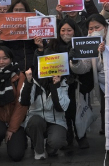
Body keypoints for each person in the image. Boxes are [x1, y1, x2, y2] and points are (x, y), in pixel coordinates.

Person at [34, 18, 93, 149]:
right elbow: (46, 66)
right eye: (63, 30)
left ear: (74, 31)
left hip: (76, 85)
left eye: (69, 30)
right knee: (64, 112)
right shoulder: (51, 46)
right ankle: (68, 136)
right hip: (59, 85)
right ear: (58, 31)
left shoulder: (80, 44)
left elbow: (86, 67)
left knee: (76, 112)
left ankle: (81, 135)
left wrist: (75, 60)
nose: (66, 33)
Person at [0, 47, 29, 161]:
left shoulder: (20, 76)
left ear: (11, 59)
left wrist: (12, 128)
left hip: (15, 119)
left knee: (16, 155)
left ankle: (20, 137)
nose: (1, 62)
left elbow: (21, 104)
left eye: (5, 58)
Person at [19, 67, 70, 160]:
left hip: (56, 121)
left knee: (57, 141)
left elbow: (62, 107)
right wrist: (28, 82)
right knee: (35, 122)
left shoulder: (62, 82)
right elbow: (23, 101)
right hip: (36, 119)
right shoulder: (33, 81)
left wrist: (56, 85)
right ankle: (39, 150)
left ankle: (51, 146)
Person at [86, 14, 109, 135]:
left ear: (105, 28)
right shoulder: (86, 42)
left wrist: (106, 51)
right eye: (91, 28)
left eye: (97, 27)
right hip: (101, 82)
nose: (93, 31)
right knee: (105, 108)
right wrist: (74, 61)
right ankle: (108, 134)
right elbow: (85, 66)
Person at [0, 0, 37, 72]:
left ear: (26, 11)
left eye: (21, 10)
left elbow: (40, 46)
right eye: (16, 10)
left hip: (31, 67)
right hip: (14, 68)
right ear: (12, 11)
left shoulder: (34, 24)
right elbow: (2, 48)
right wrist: (0, 37)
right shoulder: (5, 25)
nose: (18, 12)